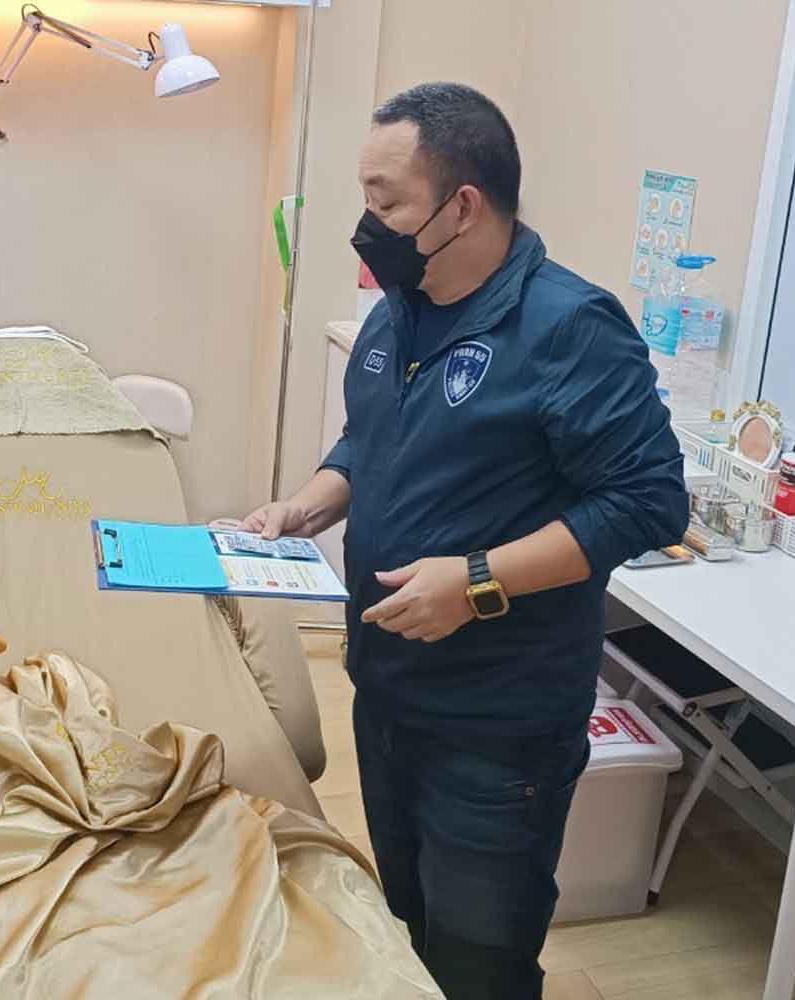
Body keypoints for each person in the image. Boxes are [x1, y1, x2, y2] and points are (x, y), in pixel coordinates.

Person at [241, 83, 688, 998]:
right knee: (406, 918)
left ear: (463, 206)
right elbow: (373, 437)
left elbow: (649, 503)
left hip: (499, 722)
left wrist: (478, 582)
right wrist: (307, 506)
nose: (368, 224)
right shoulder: (402, 304)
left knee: (481, 954)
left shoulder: (568, 328)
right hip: (389, 687)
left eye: (386, 201)